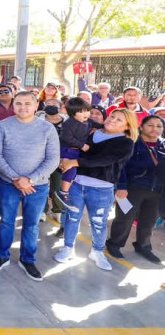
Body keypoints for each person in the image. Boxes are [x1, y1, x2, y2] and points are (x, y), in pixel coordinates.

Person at [0, 91, 60, 281]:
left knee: (32, 224)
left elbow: (53, 159)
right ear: (13, 106)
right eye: (18, 103)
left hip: (38, 186)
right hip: (8, 183)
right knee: (7, 221)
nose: (23, 107)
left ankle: (28, 259)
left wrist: (30, 179)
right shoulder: (3, 126)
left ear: (37, 106)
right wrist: (15, 178)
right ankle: (1, 256)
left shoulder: (47, 129)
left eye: (28, 104)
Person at [55, 108, 138, 270]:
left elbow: (104, 159)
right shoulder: (90, 133)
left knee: (98, 222)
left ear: (128, 126)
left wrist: (75, 163)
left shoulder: (125, 142)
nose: (113, 119)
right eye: (112, 116)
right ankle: (68, 247)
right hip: (77, 184)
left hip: (102, 189)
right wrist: (65, 161)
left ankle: (97, 251)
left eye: (119, 120)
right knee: (72, 217)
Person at [106, 115, 164, 263]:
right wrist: (122, 186)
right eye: (150, 125)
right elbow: (121, 166)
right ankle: (115, 244)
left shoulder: (163, 145)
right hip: (133, 188)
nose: (154, 129)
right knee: (125, 218)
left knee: (149, 221)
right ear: (141, 127)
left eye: (159, 126)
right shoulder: (132, 143)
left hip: (157, 190)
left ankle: (143, 246)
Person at [57, 97, 100, 199]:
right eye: (81, 112)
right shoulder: (69, 123)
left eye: (87, 111)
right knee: (70, 169)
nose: (86, 114)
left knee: (74, 171)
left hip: (76, 150)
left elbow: (99, 125)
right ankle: (63, 192)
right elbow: (66, 137)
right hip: (67, 150)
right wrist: (82, 145)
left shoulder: (88, 121)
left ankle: (67, 190)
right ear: (72, 113)